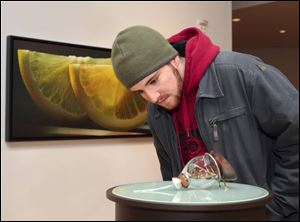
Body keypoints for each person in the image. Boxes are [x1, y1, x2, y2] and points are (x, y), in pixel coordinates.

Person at [111, 25, 299, 221]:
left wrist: (273, 208)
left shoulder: (243, 73)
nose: (152, 97)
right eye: (140, 91)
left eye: (154, 81)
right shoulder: (156, 111)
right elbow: (171, 176)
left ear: (174, 59)